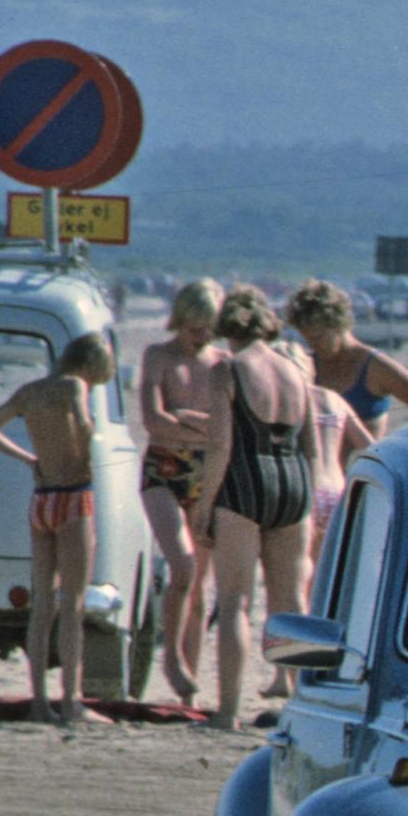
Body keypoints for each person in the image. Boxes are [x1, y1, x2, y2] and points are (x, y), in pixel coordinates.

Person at [183, 286, 324, 730]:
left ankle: (228, 712)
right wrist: (310, 499)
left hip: (245, 483)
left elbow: (221, 445)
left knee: (234, 604)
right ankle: (305, 708)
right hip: (294, 482)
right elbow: (312, 448)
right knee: (292, 604)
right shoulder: (294, 370)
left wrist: (205, 505)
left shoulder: (228, 370)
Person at [0, 330, 116, 729]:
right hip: (73, 497)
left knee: (42, 606)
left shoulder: (30, 391)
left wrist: (30, 459)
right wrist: (88, 452)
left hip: (42, 499)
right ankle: (71, 702)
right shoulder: (74, 386)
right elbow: (83, 424)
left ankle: (38, 702)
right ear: (91, 365)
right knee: (73, 604)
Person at [135, 279, 227, 700]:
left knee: (199, 589)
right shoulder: (158, 356)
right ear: (180, 321)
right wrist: (203, 428)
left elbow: (227, 429)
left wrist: (184, 418)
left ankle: (188, 688)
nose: (201, 336)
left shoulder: (223, 363)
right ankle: (170, 656)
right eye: (194, 328)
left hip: (208, 474)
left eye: (208, 328)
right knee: (182, 567)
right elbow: (153, 421)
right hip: (164, 471)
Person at [287, 281, 408, 443]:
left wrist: (400, 445)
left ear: (338, 324)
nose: (312, 345)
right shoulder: (309, 364)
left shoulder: (374, 366)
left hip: (365, 457)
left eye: (318, 337)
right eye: (306, 339)